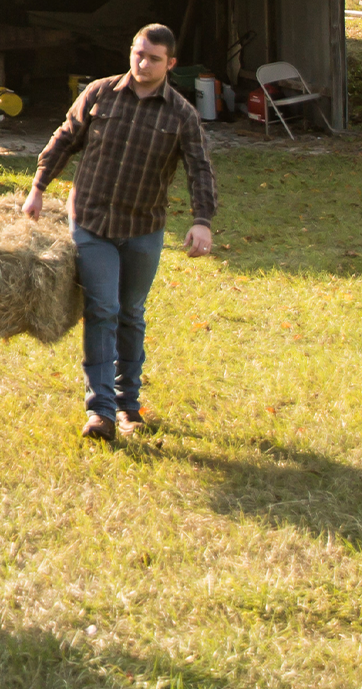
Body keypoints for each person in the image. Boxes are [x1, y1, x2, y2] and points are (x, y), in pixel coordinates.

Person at [24, 23, 218, 441]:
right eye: (138, 53)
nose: (142, 63)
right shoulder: (100, 94)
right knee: (103, 309)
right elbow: (64, 139)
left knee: (130, 313)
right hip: (91, 221)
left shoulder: (181, 114)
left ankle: (129, 404)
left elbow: (200, 168)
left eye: (153, 58)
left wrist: (202, 220)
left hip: (143, 227)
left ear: (170, 63)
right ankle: (101, 411)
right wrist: (38, 188)